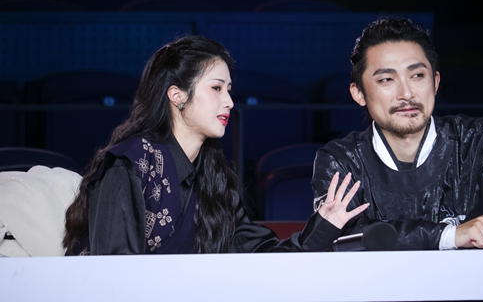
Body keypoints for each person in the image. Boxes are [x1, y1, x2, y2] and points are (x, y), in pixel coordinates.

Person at [63, 35, 368, 255]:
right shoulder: (127, 166)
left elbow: (262, 258)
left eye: (229, 90)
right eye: (216, 88)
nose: (229, 102)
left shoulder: (214, 178)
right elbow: (112, 277)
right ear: (177, 95)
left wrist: (324, 226)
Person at [312, 18, 483, 250]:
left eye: (417, 76)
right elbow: (343, 240)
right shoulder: (341, 161)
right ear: (359, 93)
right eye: (386, 79)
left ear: (435, 82)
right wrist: (450, 236)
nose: (406, 94)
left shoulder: (478, 141)